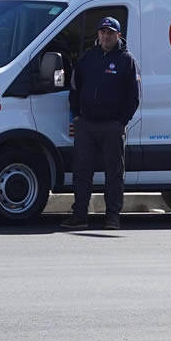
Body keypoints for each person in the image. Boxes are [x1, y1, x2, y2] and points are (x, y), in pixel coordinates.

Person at [63, 17, 139, 230]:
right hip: (86, 125)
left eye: (110, 33)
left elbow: (134, 96)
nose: (106, 36)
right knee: (81, 171)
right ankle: (79, 216)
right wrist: (76, 115)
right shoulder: (89, 57)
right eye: (102, 32)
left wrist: (121, 122)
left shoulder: (126, 60)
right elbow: (75, 87)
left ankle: (112, 217)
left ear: (118, 35)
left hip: (111, 127)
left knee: (113, 173)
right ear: (98, 34)